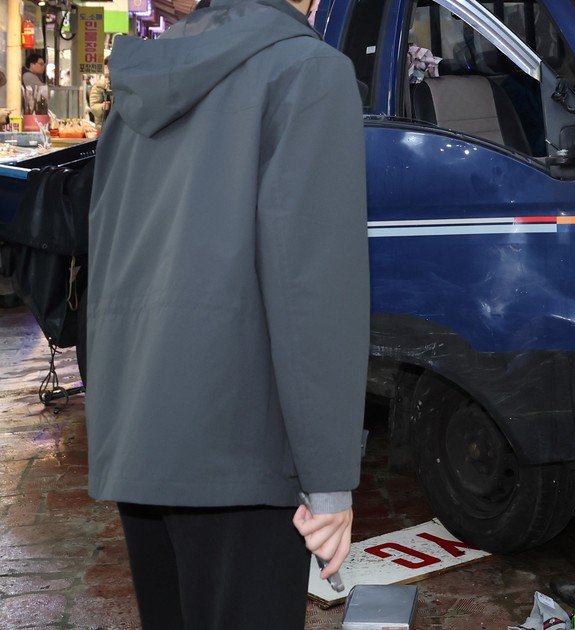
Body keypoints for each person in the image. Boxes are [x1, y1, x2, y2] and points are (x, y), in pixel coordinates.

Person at [86, 0, 369, 626]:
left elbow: (108, 257)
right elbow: (315, 293)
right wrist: (329, 481)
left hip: (141, 443)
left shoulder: (143, 75)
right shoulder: (308, 72)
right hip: (243, 451)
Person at [87, 58, 112, 126]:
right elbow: (93, 107)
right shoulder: (99, 86)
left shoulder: (122, 84)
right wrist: (103, 106)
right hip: (103, 125)